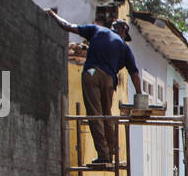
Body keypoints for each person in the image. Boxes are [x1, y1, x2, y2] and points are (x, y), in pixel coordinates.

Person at [48, 10, 143, 166]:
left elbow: (68, 26)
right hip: (108, 80)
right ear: (123, 31)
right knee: (107, 116)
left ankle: (103, 155)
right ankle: (111, 153)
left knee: (95, 114)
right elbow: (134, 74)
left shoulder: (96, 29)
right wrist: (140, 98)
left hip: (91, 74)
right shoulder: (125, 48)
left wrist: (53, 14)